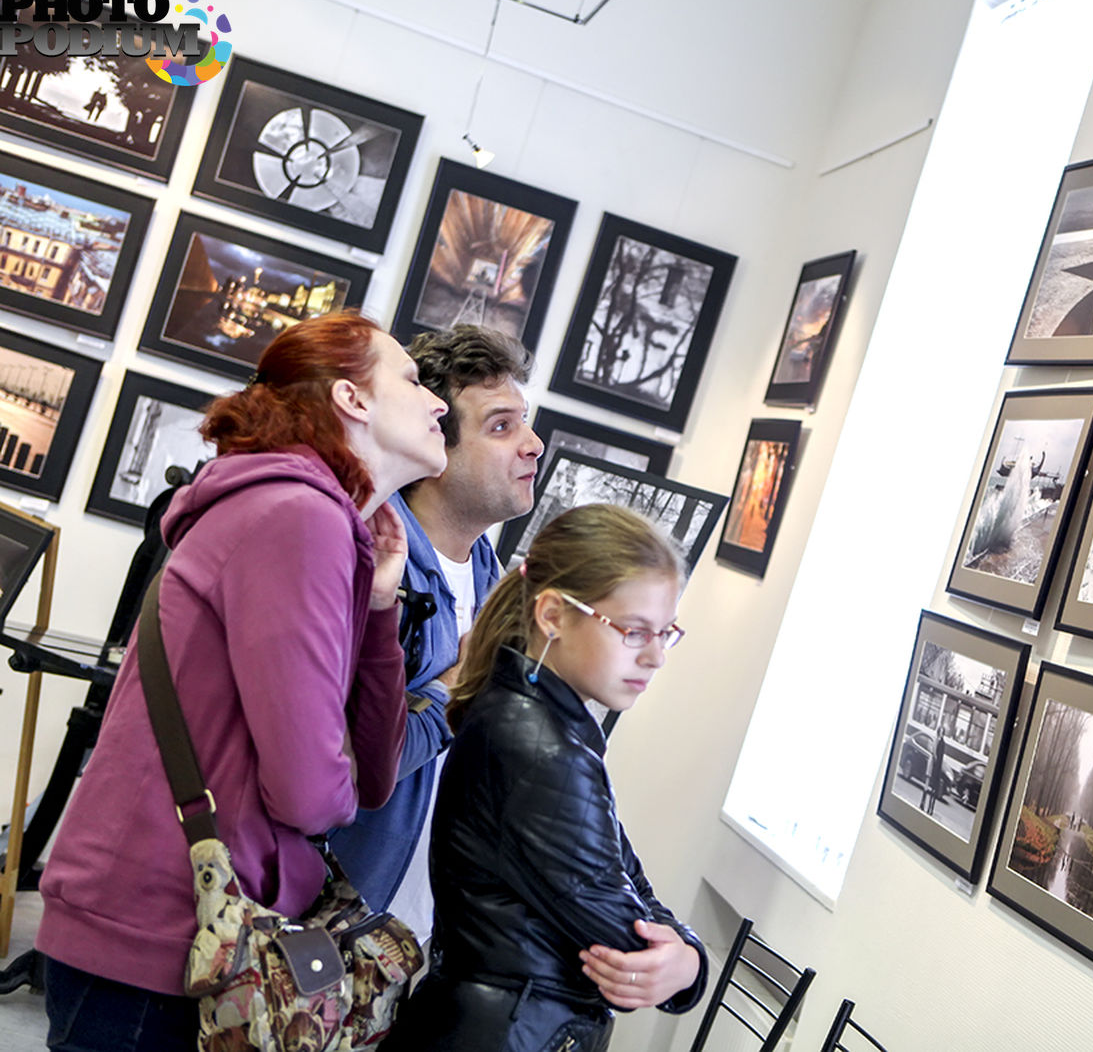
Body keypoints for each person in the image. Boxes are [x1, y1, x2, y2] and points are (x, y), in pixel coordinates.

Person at [35, 311, 448, 1052]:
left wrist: (382, 605)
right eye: (415, 381)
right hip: (162, 940)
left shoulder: (317, 522)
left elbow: (374, 777)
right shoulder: (300, 518)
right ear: (352, 400)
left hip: (185, 932)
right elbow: (312, 794)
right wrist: (339, 773)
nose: (438, 402)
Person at [384, 504, 707, 1051]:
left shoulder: (541, 723)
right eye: (633, 631)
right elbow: (628, 939)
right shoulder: (539, 749)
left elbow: (626, 875)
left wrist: (686, 956)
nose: (655, 657)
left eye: (665, 632)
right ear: (554, 614)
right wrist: (688, 964)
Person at [328, 324, 542, 935]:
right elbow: (349, 762)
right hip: (335, 920)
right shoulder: (373, 563)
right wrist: (458, 684)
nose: (533, 445)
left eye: (524, 422)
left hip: (425, 926)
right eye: (501, 427)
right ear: (436, 447)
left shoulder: (490, 576)